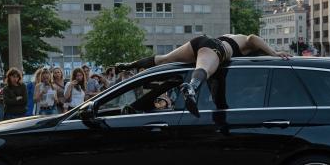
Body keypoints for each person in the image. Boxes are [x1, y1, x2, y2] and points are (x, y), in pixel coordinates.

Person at [115, 33, 290, 117]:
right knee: (205, 69)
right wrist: (273, 53)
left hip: (201, 41)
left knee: (164, 59)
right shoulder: (246, 42)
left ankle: (128, 65)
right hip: (217, 49)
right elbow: (253, 38)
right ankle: (191, 87)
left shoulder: (233, 37)